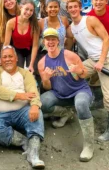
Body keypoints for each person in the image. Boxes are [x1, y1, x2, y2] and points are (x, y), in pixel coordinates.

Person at [66, 0, 109, 142]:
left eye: (75, 7)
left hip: (107, 59)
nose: (73, 10)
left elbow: (107, 39)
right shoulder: (72, 28)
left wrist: (101, 61)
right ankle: (72, 109)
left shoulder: (90, 20)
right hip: (92, 61)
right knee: (73, 75)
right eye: (70, 8)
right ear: (68, 10)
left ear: (80, 7)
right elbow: (68, 43)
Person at [38, 28, 94, 162]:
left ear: (58, 41)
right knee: (42, 102)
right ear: (43, 42)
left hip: (79, 91)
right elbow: (48, 87)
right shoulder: (42, 63)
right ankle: (65, 113)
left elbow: (84, 75)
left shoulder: (70, 55)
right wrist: (45, 79)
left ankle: (89, 145)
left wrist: (78, 70)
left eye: (53, 39)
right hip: (59, 94)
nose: (50, 42)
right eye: (47, 39)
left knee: (80, 104)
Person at [0, 45, 45, 169]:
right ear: (0, 60)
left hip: (22, 111)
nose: (7, 59)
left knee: (37, 115)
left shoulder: (25, 73)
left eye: (10, 56)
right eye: (4, 57)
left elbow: (33, 90)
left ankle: (33, 155)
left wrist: (34, 106)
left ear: (16, 58)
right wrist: (19, 95)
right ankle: (24, 142)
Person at [4, 0, 39, 73]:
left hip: (30, 50)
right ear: (20, 8)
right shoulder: (11, 23)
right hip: (17, 49)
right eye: (26, 9)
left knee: (34, 70)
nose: (28, 12)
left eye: (31, 10)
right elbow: (6, 43)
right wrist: (3, 58)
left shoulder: (34, 24)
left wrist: (31, 64)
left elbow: (35, 45)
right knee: (17, 71)